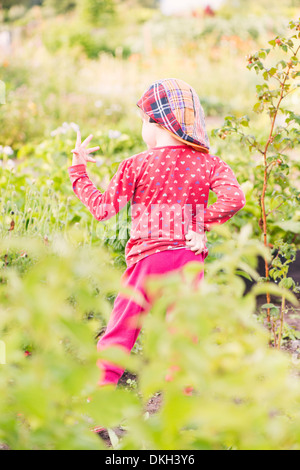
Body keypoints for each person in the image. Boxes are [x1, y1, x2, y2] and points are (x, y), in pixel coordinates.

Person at [68, 78, 246, 394]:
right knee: (183, 333)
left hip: (146, 262)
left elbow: (102, 209)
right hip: (187, 259)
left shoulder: (135, 164)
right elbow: (234, 199)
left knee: (121, 330)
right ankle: (180, 405)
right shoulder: (209, 163)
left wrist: (79, 172)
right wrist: (197, 222)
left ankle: (99, 399)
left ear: (156, 122)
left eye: (142, 122)